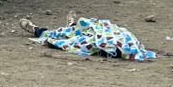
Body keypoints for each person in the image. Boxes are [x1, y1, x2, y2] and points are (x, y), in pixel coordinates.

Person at [18, 11, 158, 62]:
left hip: (94, 40)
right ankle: (72, 26)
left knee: (63, 39)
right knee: (82, 30)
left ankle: (37, 30)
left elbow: (82, 45)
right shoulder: (129, 46)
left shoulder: (110, 51)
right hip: (100, 33)